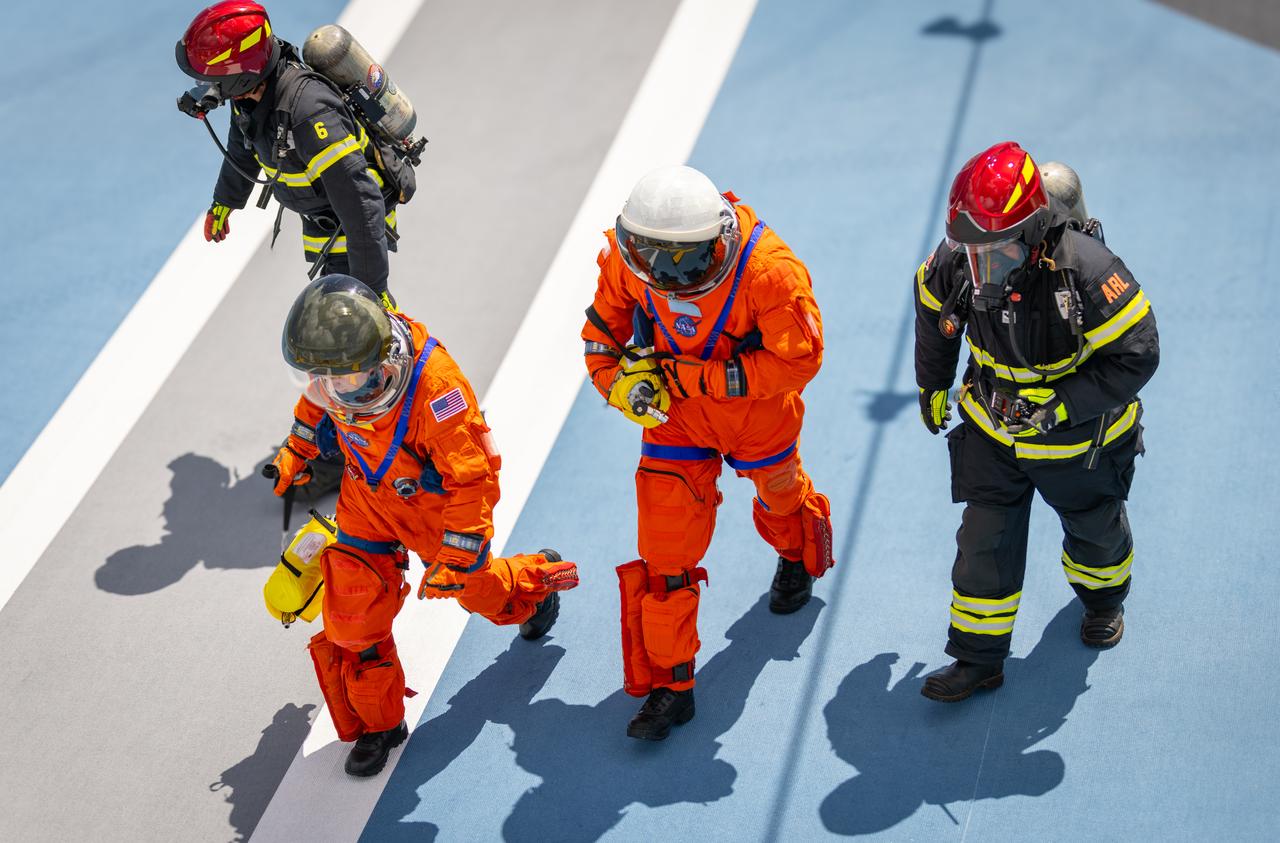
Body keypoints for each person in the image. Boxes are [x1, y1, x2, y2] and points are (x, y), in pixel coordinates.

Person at [267, 275, 579, 776]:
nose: (333, 390)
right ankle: (381, 725)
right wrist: (296, 451)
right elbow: (314, 407)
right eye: (324, 378)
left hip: (432, 510)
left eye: (343, 380)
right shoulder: (336, 377)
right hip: (367, 498)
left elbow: (472, 479)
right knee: (352, 615)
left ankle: (535, 585)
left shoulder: (437, 389)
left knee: (481, 594)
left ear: (381, 362)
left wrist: (458, 555)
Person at [581, 165, 834, 740]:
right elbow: (602, 334)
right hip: (676, 421)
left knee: (780, 496)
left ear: (717, 241)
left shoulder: (769, 273)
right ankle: (673, 687)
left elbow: (799, 361)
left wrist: (702, 380)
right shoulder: (631, 258)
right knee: (664, 554)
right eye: (654, 266)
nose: (667, 279)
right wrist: (617, 384)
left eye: (685, 265)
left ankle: (795, 556)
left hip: (755, 417)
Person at [913, 142, 1159, 702]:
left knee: (1095, 529)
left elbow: (1138, 354)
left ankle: (1102, 601)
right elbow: (932, 310)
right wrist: (932, 383)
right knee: (983, 543)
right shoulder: (962, 256)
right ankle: (977, 660)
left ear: (1032, 231)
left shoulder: (1090, 272)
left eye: (992, 253)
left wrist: (1065, 405)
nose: (976, 268)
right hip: (993, 436)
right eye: (967, 250)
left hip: (1078, 441)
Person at [176, 1, 412, 301]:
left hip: (351, 233)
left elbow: (360, 203)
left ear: (239, 77)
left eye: (211, 80)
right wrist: (225, 202)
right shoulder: (250, 96)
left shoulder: (309, 114)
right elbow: (242, 146)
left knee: (353, 332)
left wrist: (372, 288)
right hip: (323, 225)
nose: (204, 87)